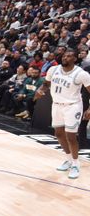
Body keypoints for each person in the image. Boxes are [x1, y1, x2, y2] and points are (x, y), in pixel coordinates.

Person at [34, 48, 90, 179]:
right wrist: (40, 90)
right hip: (57, 105)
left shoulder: (81, 74)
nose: (65, 58)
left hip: (73, 106)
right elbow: (46, 84)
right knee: (58, 134)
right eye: (64, 56)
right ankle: (68, 159)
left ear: (75, 59)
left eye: (69, 56)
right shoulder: (53, 70)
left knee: (70, 136)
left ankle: (76, 164)